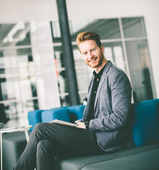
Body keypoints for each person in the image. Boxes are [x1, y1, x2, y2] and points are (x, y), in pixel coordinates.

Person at [14, 31, 132, 170]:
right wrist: (81, 123)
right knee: (44, 144)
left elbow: (120, 117)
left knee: (40, 129)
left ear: (101, 48)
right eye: (85, 53)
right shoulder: (95, 77)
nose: (90, 56)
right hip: (90, 135)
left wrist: (88, 125)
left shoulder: (116, 76)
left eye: (92, 50)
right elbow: (95, 112)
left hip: (104, 141)